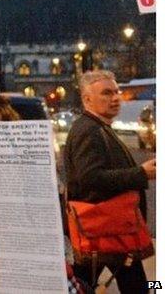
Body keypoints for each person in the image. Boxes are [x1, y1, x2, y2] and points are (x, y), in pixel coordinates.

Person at [65, 70, 155, 292]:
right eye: (107, 93)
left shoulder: (97, 127)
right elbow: (90, 178)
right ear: (87, 99)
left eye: (117, 91)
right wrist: (141, 173)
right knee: (134, 286)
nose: (115, 98)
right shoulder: (88, 130)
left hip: (111, 229)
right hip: (105, 228)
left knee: (87, 284)